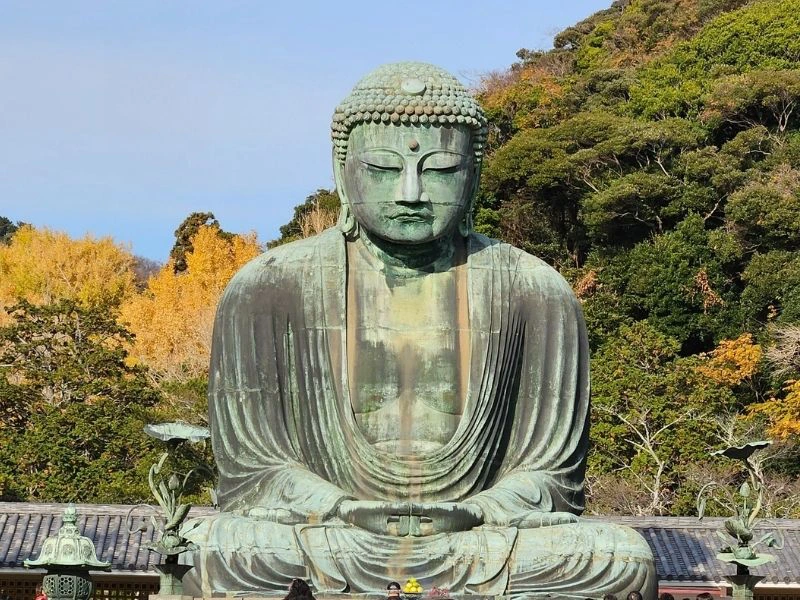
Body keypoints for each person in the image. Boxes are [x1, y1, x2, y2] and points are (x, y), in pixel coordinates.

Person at [182, 61, 656, 599]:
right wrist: (338, 507)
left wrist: (481, 509)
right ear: (342, 172)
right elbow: (254, 470)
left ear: (473, 177)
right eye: (384, 168)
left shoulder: (535, 290)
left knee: (619, 557)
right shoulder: (269, 286)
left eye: (440, 170)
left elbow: (553, 476)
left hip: (478, 539)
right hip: (330, 535)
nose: (410, 192)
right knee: (215, 549)